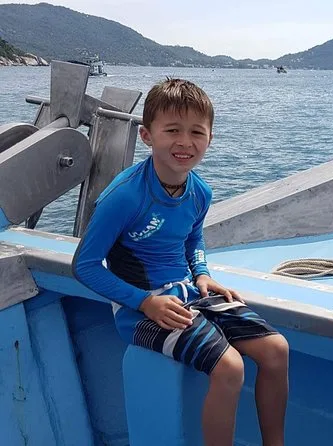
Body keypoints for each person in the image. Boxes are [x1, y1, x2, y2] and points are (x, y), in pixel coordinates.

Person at [72, 78, 289, 446]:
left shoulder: (200, 192)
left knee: (276, 350)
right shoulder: (125, 196)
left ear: (210, 138)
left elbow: (193, 237)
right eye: (172, 130)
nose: (185, 142)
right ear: (147, 135)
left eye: (196, 132)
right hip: (139, 311)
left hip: (187, 294)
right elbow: (85, 266)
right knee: (230, 367)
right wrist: (145, 302)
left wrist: (202, 273)